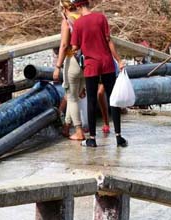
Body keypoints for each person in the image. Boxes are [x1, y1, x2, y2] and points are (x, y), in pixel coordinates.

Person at [70, 0, 127, 148]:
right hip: (107, 63)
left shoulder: (78, 24)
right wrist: (119, 60)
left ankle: (92, 139)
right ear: (88, 3)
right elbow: (109, 41)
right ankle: (119, 137)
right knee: (113, 99)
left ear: (77, 6)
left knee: (91, 101)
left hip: (91, 66)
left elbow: (75, 47)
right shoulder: (101, 18)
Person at [53, 0, 84, 140]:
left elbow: (65, 45)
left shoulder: (67, 22)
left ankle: (78, 130)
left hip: (72, 62)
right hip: (85, 61)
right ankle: (66, 127)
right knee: (74, 96)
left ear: (64, 8)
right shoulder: (83, 18)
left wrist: (58, 67)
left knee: (71, 98)